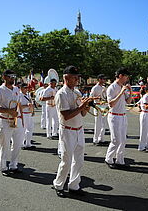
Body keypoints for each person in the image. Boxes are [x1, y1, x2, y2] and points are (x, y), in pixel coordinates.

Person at [52, 66, 92, 197]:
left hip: (79, 130)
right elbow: (66, 116)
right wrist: (81, 107)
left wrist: (86, 106)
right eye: (74, 77)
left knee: (79, 160)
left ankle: (74, 185)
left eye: (77, 77)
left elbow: (83, 114)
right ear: (66, 78)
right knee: (66, 160)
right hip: (67, 130)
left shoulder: (77, 93)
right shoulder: (61, 94)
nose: (77, 79)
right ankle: (58, 184)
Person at [0, 70, 25, 176]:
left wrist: (22, 118)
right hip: (5, 120)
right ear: (4, 77)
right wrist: (8, 111)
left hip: (16, 119)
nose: (12, 78)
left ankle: (14, 165)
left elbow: (18, 104)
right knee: (4, 144)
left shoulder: (16, 89)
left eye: (14, 76)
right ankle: (3, 167)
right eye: (10, 76)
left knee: (17, 144)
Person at [104, 67, 132, 169]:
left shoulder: (122, 87)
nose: (127, 78)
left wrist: (130, 91)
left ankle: (120, 160)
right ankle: (109, 158)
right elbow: (111, 104)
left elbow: (128, 102)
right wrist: (121, 92)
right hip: (114, 116)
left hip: (123, 116)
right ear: (120, 76)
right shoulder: (112, 87)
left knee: (123, 140)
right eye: (126, 76)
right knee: (116, 140)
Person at [90, 74, 108, 146]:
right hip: (97, 106)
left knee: (104, 123)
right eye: (103, 79)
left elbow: (106, 96)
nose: (104, 80)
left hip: (104, 105)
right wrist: (96, 98)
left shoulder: (104, 87)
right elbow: (90, 97)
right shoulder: (95, 88)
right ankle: (95, 139)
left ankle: (101, 139)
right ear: (99, 79)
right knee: (98, 123)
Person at [20, 83, 35, 149]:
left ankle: (28, 143)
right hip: (23, 114)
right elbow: (18, 107)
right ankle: (21, 144)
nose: (26, 89)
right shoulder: (20, 96)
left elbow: (31, 103)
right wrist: (27, 105)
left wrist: (33, 111)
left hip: (29, 113)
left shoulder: (28, 95)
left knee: (30, 129)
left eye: (27, 88)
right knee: (23, 129)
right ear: (21, 88)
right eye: (24, 88)